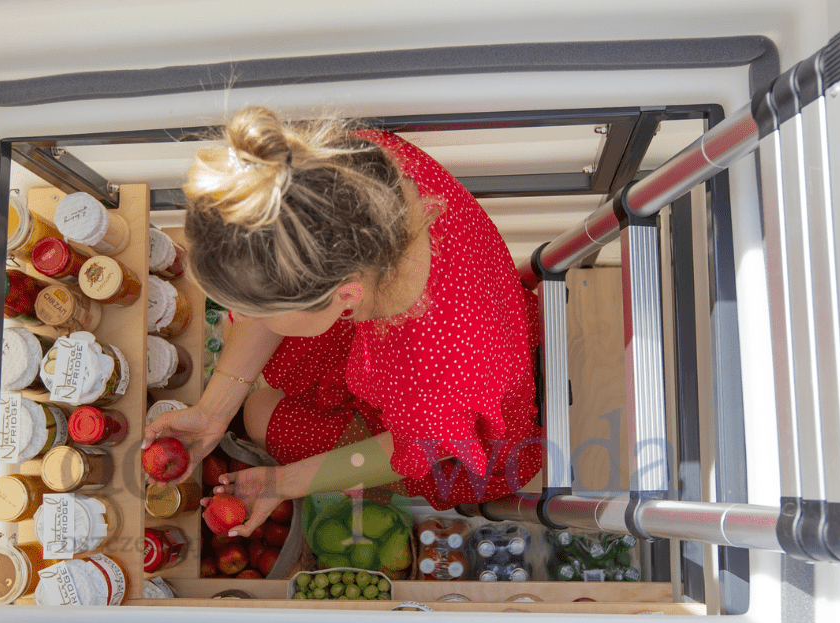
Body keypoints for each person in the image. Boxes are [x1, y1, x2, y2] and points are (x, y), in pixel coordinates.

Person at [143, 106, 542, 536]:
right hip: (448, 348)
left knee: (258, 413)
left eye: (258, 309)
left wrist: (282, 481)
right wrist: (213, 411)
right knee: (255, 392)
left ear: (346, 296)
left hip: (453, 425)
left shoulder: (435, 377)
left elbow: (409, 450)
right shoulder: (349, 166)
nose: (238, 318)